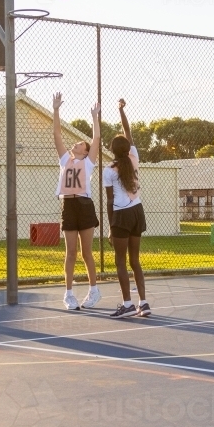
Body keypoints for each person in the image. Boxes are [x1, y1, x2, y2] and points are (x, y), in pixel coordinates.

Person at [52, 93, 102, 310]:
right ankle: (69, 294)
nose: (76, 144)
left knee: (86, 252)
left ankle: (94, 290)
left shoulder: (88, 163)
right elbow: (57, 135)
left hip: (84, 206)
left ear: (86, 151)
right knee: (70, 252)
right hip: (68, 206)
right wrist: (55, 110)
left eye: (80, 143)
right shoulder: (65, 160)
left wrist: (95, 118)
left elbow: (97, 139)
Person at [103, 99, 150, 319]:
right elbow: (128, 131)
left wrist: (111, 227)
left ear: (111, 150)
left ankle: (127, 304)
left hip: (121, 215)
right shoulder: (134, 158)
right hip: (137, 211)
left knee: (120, 261)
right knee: (135, 260)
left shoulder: (109, 170)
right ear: (128, 149)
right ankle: (144, 302)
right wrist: (121, 110)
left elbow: (110, 201)